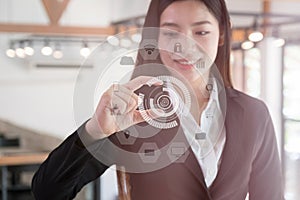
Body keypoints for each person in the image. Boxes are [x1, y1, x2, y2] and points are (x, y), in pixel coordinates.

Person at [31, 0, 284, 199]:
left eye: (201, 31)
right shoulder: (133, 111)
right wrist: (95, 130)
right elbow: (48, 192)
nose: (184, 47)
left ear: (221, 35)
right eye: (171, 33)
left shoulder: (254, 113)